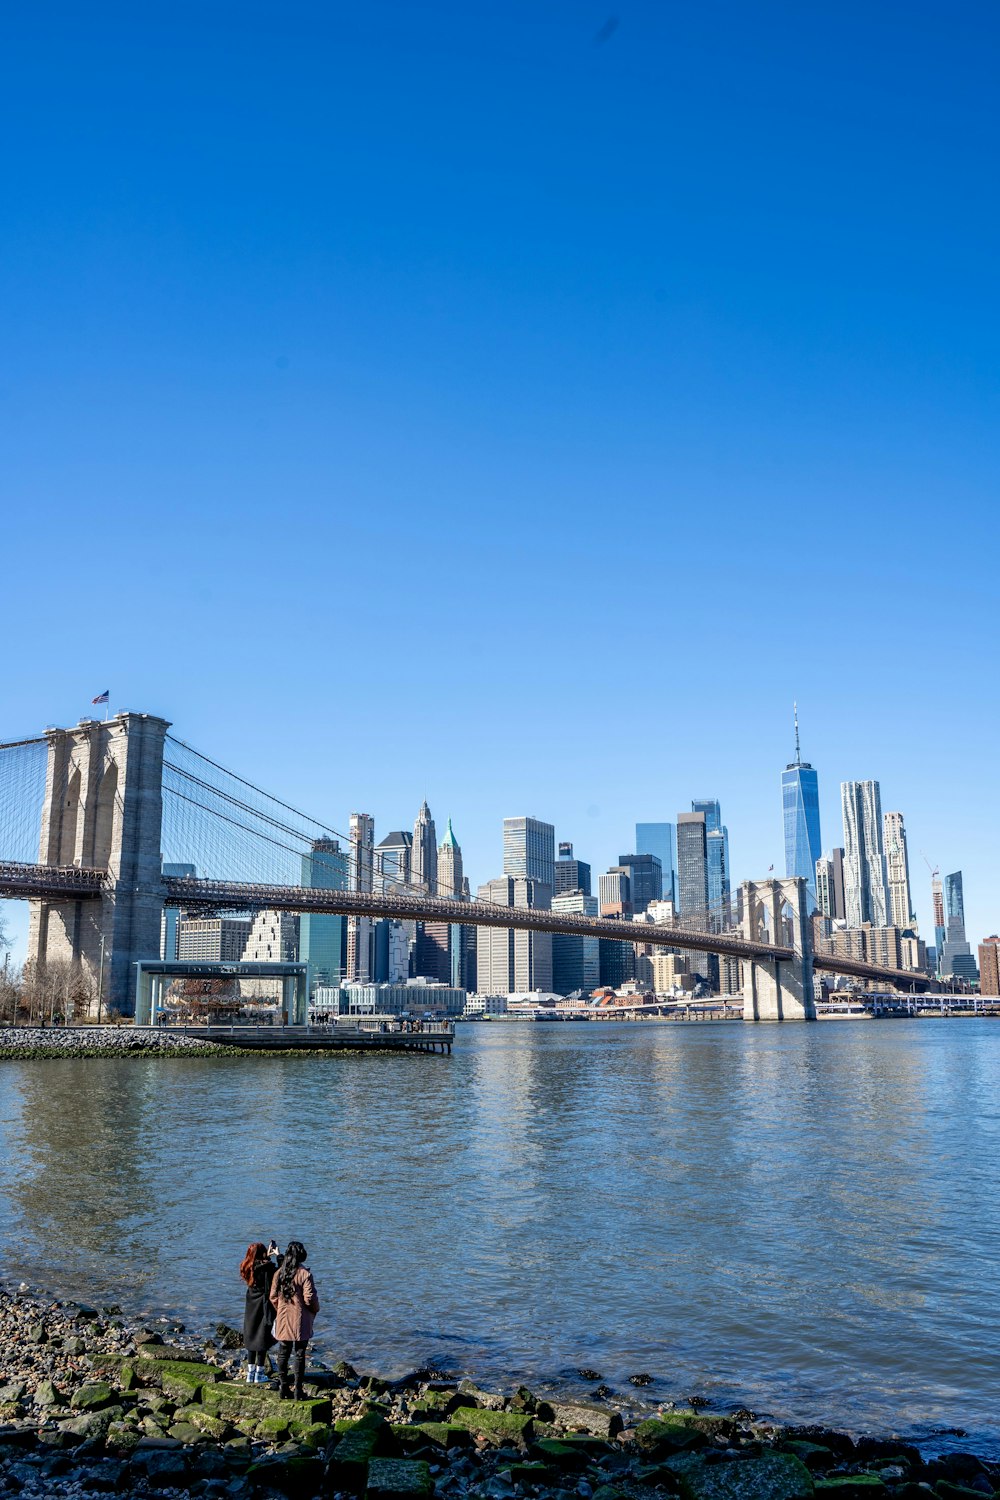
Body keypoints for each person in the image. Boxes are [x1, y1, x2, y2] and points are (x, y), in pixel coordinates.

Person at [268, 1241, 320, 1400]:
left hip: (283, 1316)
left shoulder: (280, 1273)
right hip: (300, 1318)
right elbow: (309, 1298)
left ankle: (283, 1387)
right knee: (299, 1354)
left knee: (283, 1353)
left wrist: (280, 1309)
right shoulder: (305, 1274)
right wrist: (315, 1309)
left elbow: (273, 1297)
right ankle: (298, 1391)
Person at [239, 1240, 279, 1383]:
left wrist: (266, 1255)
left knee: (251, 1334)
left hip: (251, 1301)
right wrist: (277, 1255)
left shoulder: (247, 1267)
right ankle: (260, 1374)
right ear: (262, 1253)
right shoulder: (267, 1268)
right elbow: (279, 1272)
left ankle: (250, 1374)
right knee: (262, 1336)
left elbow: (259, 1264)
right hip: (263, 1303)